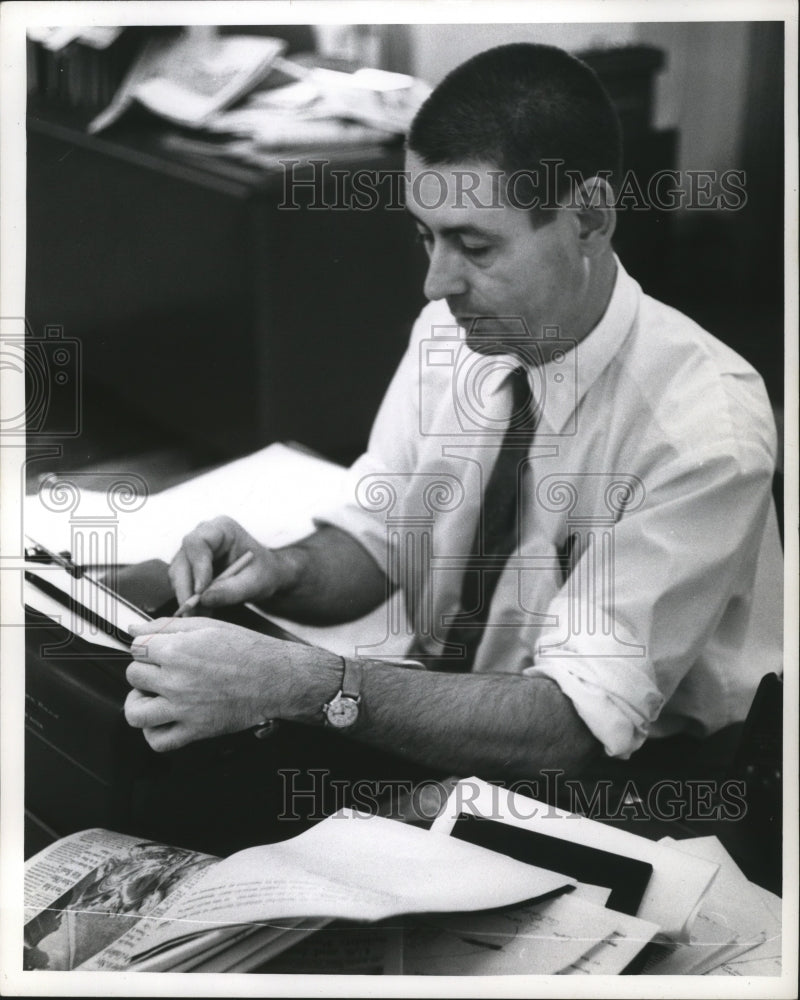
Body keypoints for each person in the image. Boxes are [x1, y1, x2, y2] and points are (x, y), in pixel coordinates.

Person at [124, 44, 780, 803]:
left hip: (635, 785)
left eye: (473, 244)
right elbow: (378, 543)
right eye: (424, 236)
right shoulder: (455, 332)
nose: (437, 284)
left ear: (590, 218)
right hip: (453, 724)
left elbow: (571, 725)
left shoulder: (705, 429)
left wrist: (307, 685)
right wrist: (283, 570)